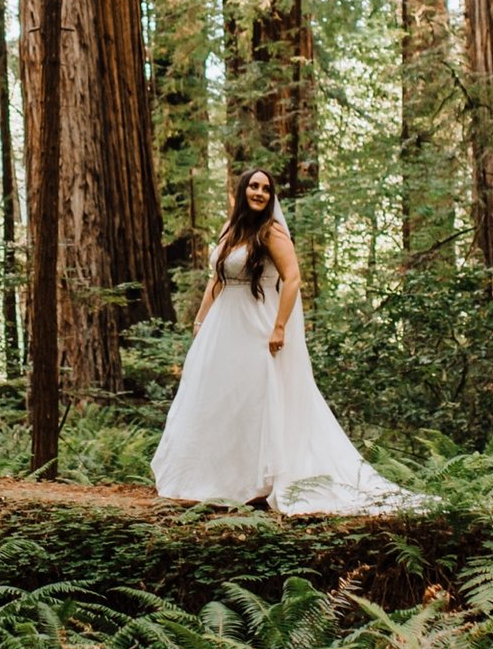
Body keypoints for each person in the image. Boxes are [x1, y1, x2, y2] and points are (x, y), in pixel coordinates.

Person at [152, 168, 424, 514]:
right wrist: (201, 318)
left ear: (271, 196)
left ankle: (259, 481)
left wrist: (279, 326)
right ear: (243, 189)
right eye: (253, 186)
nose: (259, 192)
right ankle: (217, 478)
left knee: (256, 397)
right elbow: (216, 280)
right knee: (220, 395)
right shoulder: (229, 231)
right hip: (224, 325)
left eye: (266, 188)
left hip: (257, 325)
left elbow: (292, 279)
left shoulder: (272, 233)